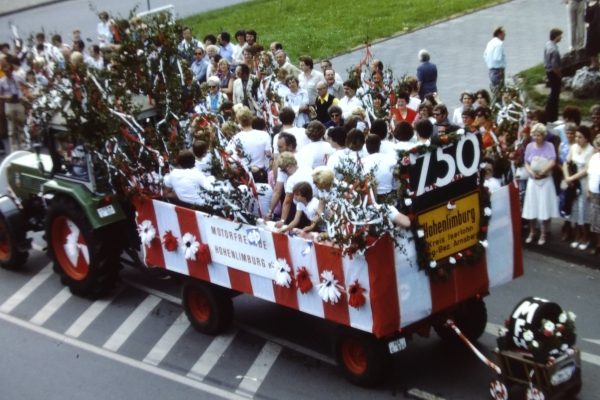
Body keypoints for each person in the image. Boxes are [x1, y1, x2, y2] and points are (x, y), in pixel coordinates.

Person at [522, 123, 560, 245]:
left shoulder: (549, 146)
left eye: (538, 135)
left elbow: (553, 161)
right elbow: (526, 162)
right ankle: (532, 232)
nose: (536, 137)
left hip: (545, 180)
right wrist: (531, 172)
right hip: (533, 180)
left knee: (545, 206)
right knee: (531, 207)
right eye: (534, 135)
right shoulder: (529, 146)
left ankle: (544, 232)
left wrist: (543, 171)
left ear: (543, 135)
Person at [563, 126, 594, 250]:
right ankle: (577, 236)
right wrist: (567, 177)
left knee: (583, 210)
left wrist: (572, 178)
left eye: (580, 137)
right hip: (573, 182)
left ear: (586, 138)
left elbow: (587, 170)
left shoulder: (591, 150)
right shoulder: (573, 147)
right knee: (575, 209)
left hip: (583, 182)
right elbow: (567, 162)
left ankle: (585, 238)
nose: (577, 139)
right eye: (576, 137)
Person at [0, 61, 26, 152]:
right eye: (5, 71)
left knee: (21, 125)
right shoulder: (2, 81)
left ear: (11, 70)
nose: (7, 73)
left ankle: (24, 145)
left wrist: (24, 95)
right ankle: (13, 148)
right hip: (9, 104)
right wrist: (6, 96)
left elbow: (25, 87)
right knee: (11, 128)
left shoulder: (18, 77)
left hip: (19, 103)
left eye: (8, 71)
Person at [362, 134, 397, 201]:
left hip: (372, 199)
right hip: (389, 196)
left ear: (366, 147)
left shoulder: (363, 162)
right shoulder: (391, 159)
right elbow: (395, 181)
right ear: (379, 145)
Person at [544, 28, 563, 123]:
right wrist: (560, 75)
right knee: (555, 95)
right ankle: (553, 116)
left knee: (552, 93)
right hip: (553, 73)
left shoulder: (548, 44)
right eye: (560, 35)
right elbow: (555, 66)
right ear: (556, 36)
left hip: (548, 72)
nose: (561, 37)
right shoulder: (554, 50)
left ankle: (548, 113)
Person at [586, 135, 600, 254]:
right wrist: (587, 189)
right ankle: (598, 244)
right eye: (598, 145)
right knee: (595, 219)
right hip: (594, 192)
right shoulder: (594, 157)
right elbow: (589, 174)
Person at [483, 26, 506, 91]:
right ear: (499, 34)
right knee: (500, 92)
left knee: (495, 91)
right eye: (503, 33)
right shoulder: (499, 43)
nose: (505, 35)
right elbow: (498, 57)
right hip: (498, 71)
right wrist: (500, 69)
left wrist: (490, 64)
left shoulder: (490, 42)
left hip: (491, 71)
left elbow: (485, 55)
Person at [586, 0, 600, 71]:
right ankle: (593, 62)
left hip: (595, 29)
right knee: (589, 46)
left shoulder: (597, 5)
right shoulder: (588, 4)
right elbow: (586, 15)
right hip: (589, 29)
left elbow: (597, 18)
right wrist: (586, 22)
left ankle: (595, 63)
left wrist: (590, 25)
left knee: (593, 45)